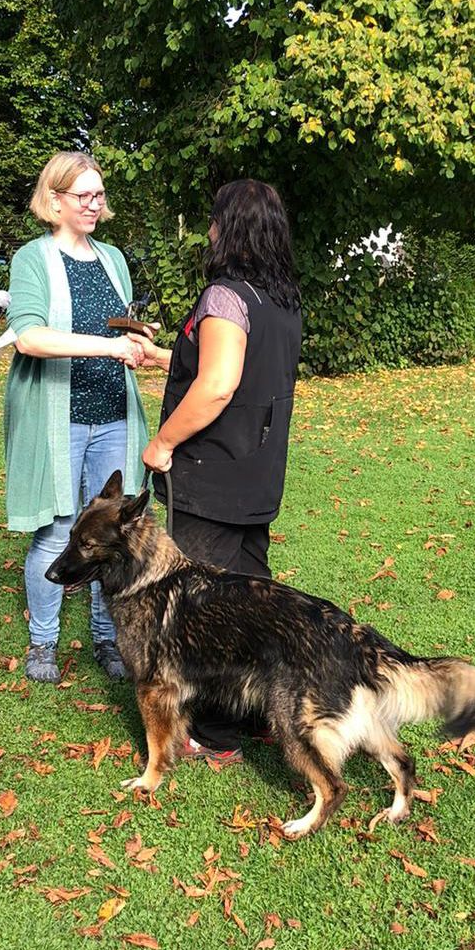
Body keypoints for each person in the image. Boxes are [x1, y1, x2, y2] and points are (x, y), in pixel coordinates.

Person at [131, 179, 302, 765]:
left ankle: (216, 732)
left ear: (230, 229)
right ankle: (261, 711)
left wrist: (162, 443)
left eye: (213, 220)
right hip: (258, 472)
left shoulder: (226, 296)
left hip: (213, 473)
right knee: (254, 598)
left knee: (205, 608)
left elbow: (219, 384)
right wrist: (163, 356)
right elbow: (242, 369)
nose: (207, 231)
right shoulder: (281, 298)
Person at [4, 151, 149, 684]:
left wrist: (136, 338)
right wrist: (108, 347)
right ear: (55, 198)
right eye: (83, 195)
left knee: (112, 533)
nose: (94, 204)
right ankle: (43, 642)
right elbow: (29, 337)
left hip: (114, 414)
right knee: (57, 530)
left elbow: (119, 325)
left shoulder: (113, 258)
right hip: (58, 418)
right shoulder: (33, 259)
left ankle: (107, 638)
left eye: (99, 194)